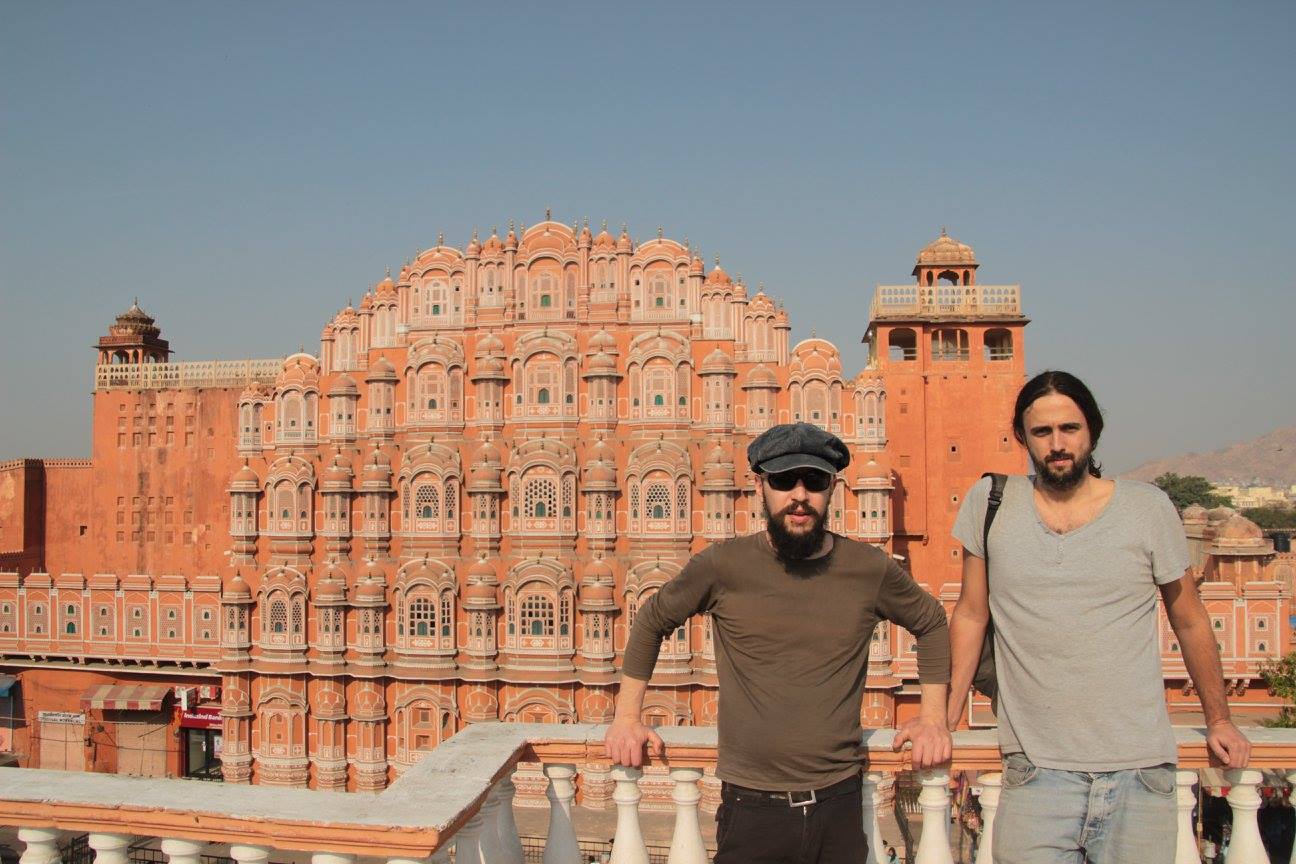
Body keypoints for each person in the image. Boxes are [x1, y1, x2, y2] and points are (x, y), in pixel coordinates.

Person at [604, 422, 952, 864]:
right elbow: (651, 620)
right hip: (752, 809)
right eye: (784, 480)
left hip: (838, 804)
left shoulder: (868, 568)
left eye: (815, 481)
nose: (799, 495)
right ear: (760, 486)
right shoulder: (723, 566)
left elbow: (932, 621)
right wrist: (627, 717)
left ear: (832, 487)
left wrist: (933, 717)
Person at [946, 370, 1251, 864]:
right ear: (1022, 437)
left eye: (1069, 428)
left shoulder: (1147, 508)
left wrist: (1220, 719)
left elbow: (1190, 619)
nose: (1057, 444)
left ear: (1092, 431)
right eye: (1042, 431)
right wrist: (944, 717)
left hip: (1139, 773)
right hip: (1036, 772)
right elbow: (970, 614)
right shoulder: (991, 502)